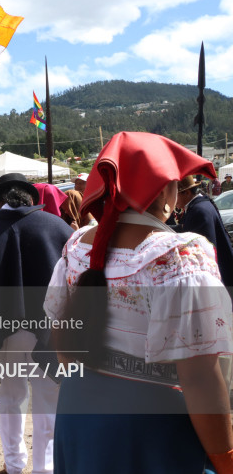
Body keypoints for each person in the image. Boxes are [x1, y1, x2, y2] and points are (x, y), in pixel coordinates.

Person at [45, 132, 233, 474]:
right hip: (149, 426)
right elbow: (199, 378)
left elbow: (63, 346)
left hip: (78, 411)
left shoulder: (76, 247)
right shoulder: (179, 254)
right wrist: (225, 458)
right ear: (162, 190)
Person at [0, 173, 72, 474]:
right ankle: (44, 469)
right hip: (48, 331)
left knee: (10, 397)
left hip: (1, 335)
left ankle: (14, 464)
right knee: (48, 399)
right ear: (33, 200)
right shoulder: (56, 227)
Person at [172, 174, 233, 288]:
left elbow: (202, 252)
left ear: (187, 193)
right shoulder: (200, 205)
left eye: (175, 194)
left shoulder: (198, 211)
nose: (173, 199)